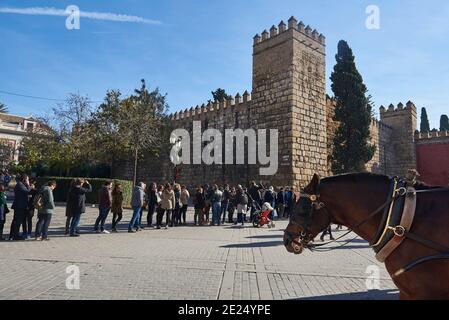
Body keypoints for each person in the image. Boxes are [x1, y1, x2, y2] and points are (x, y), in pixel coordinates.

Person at [10, 174, 31, 241]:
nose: (28, 181)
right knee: (17, 221)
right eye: (27, 179)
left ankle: (13, 234)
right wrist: (29, 185)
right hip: (19, 206)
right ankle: (15, 235)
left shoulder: (21, 184)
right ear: (24, 179)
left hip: (20, 206)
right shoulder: (20, 185)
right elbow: (28, 191)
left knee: (17, 221)